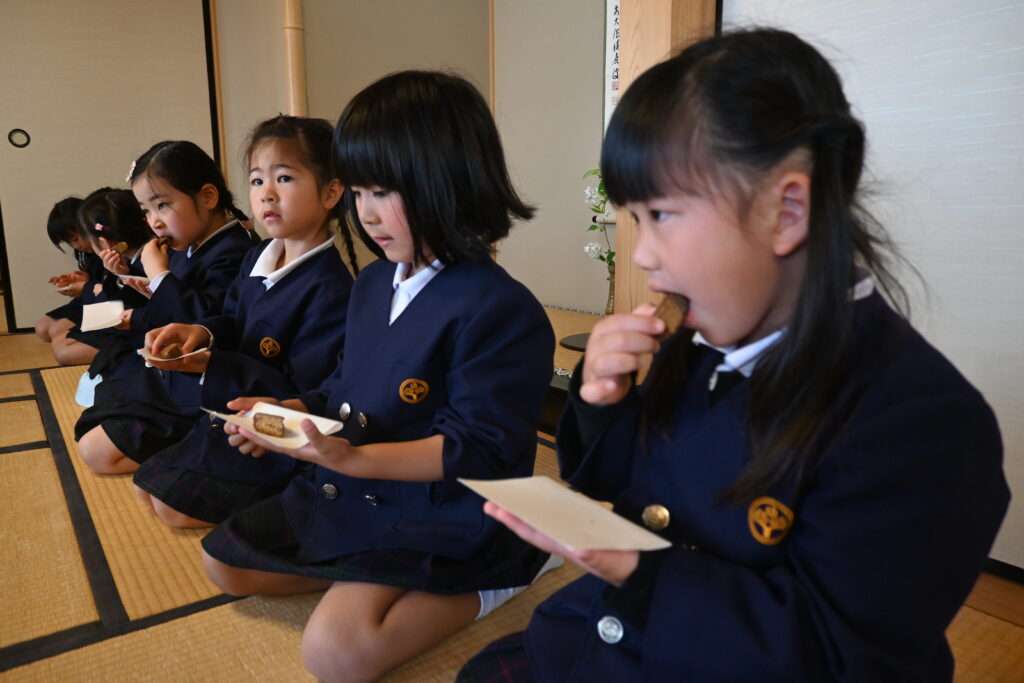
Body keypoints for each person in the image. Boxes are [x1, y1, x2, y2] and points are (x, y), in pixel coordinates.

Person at [460, 28, 1009, 682]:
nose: (643, 254)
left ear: (788, 211)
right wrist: (603, 399)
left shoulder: (925, 422)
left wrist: (638, 568)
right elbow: (623, 484)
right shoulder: (702, 342)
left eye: (662, 215)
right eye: (634, 220)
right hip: (608, 629)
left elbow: (840, 655)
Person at [201, 71, 559, 682]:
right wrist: (286, 413)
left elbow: (478, 448)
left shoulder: (501, 308)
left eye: (384, 191)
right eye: (359, 191)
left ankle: (514, 566)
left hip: (441, 504)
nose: (366, 214)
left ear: (449, 181)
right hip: (351, 480)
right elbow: (342, 388)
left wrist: (351, 459)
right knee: (223, 564)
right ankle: (369, 576)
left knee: (334, 655)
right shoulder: (370, 283)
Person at [132, 115, 357, 529]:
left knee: (172, 509)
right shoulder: (258, 256)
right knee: (146, 487)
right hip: (231, 407)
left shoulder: (331, 288)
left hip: (274, 427)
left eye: (284, 178)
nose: (266, 193)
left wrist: (212, 363)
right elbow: (234, 319)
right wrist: (201, 332)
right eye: (256, 181)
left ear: (331, 192)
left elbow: (304, 391)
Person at [74, 141, 258, 474]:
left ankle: (196, 443)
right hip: (171, 368)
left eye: (162, 205)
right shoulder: (189, 245)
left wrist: (160, 276)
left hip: (207, 378)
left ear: (208, 197)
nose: (154, 222)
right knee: (99, 405)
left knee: (97, 453)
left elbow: (210, 321)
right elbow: (178, 303)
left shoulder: (234, 250)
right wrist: (144, 284)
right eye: (146, 211)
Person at [49, 188, 153, 366]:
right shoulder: (127, 258)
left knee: (62, 348)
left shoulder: (150, 257)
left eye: (81, 237)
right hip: (123, 317)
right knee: (54, 334)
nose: (78, 245)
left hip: (138, 329)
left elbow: (131, 306)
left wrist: (90, 287)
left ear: (104, 241)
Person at [36, 196, 99, 342]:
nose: (76, 246)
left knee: (56, 332)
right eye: (69, 242)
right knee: (41, 328)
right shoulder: (85, 252)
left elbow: (112, 289)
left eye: (76, 239)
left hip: (106, 304)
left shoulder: (108, 249)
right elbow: (93, 279)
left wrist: (86, 287)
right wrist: (80, 280)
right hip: (91, 298)